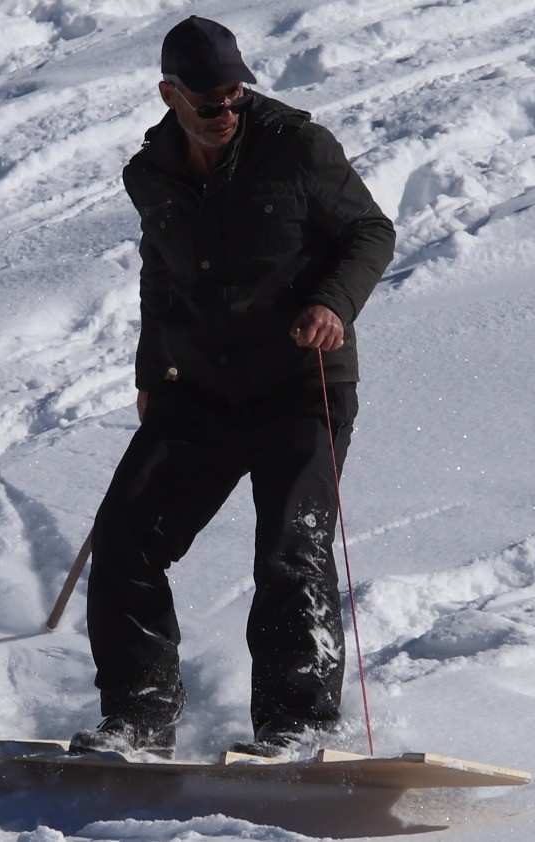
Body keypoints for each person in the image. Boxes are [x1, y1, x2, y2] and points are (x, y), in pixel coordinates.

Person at [70, 15, 396, 759]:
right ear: (170, 94)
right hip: (200, 390)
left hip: (299, 382)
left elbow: (370, 232)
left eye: (234, 95)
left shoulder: (299, 147)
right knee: (125, 539)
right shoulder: (150, 173)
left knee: (291, 546)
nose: (225, 110)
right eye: (208, 100)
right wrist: (152, 374)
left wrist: (332, 303)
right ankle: (138, 720)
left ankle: (297, 726)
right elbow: (161, 276)